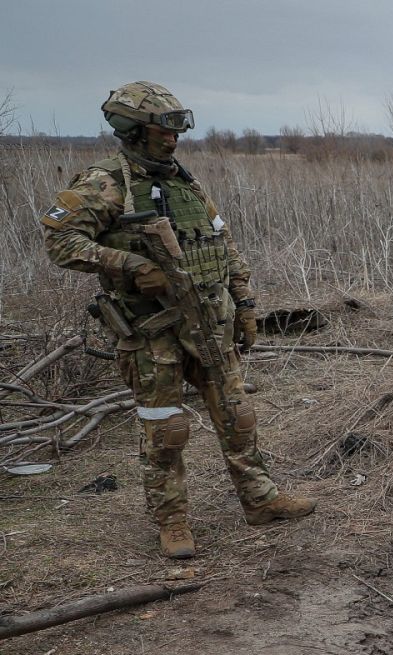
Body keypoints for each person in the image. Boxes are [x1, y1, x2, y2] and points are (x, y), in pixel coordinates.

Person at [41, 81, 314, 559]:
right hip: (153, 333)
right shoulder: (106, 182)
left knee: (238, 417)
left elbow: (221, 242)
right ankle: (172, 522)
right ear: (133, 130)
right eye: (162, 130)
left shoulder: (183, 180)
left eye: (177, 129)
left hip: (210, 323)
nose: (173, 138)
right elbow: (61, 243)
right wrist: (129, 265)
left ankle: (261, 500)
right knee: (165, 429)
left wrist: (245, 303)